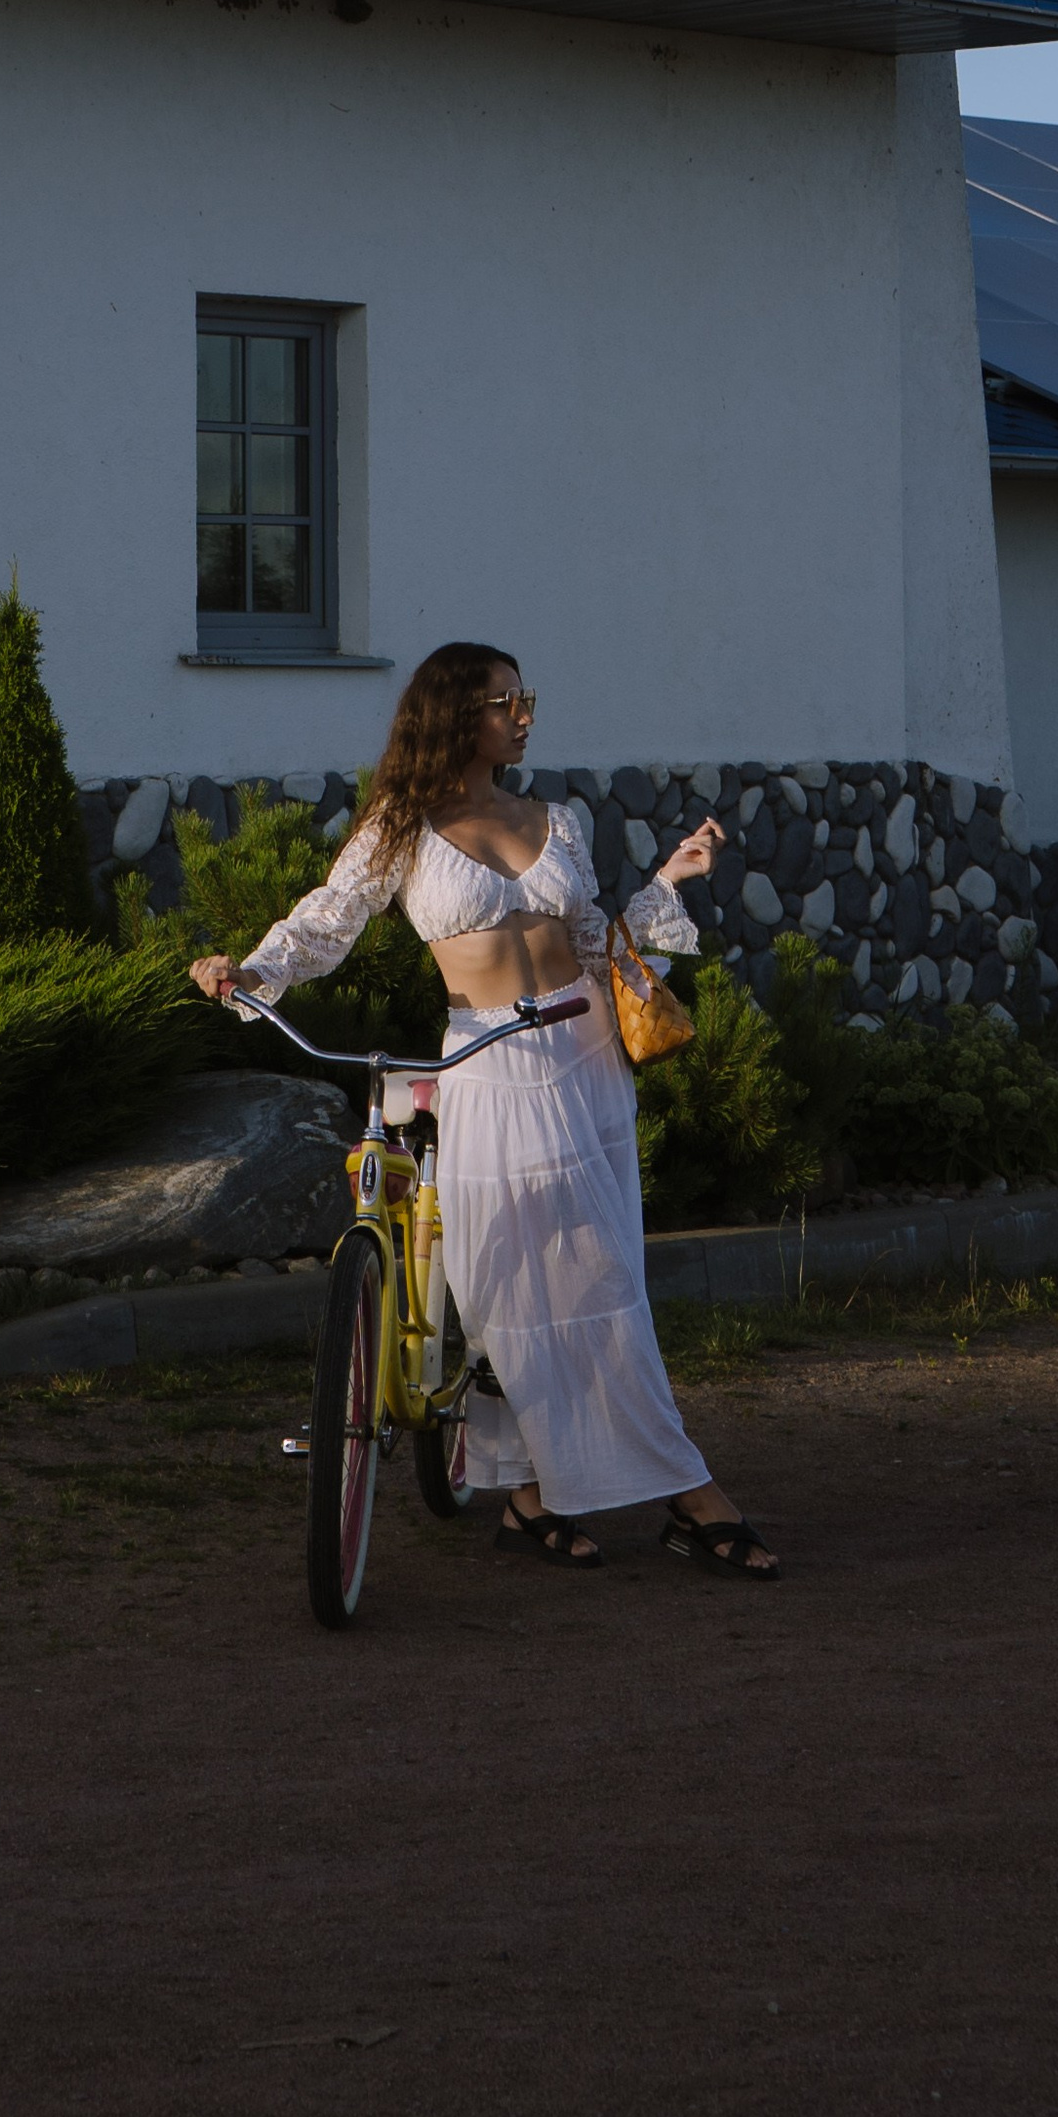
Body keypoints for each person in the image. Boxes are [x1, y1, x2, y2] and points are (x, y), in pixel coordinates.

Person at [191, 642, 778, 1577]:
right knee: (523, 1287)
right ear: (457, 713)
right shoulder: (400, 824)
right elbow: (328, 918)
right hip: (488, 1064)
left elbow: (596, 943)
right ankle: (684, 1491)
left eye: (525, 697)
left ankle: (536, 1498)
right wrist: (251, 971)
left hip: (586, 1055)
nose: (525, 714)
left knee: (599, 1279)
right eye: (507, 700)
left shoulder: (558, 819)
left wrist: (669, 881)